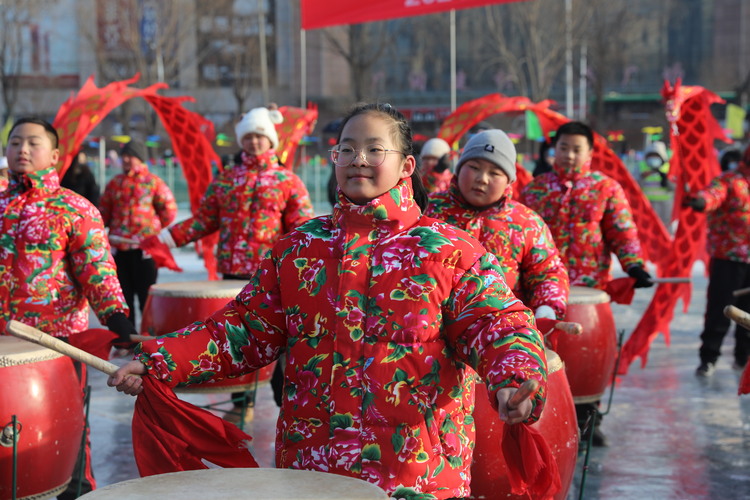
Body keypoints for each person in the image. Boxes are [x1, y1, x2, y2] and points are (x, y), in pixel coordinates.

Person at [111, 103, 548, 500]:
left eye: (375, 150)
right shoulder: (298, 248)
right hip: (311, 471)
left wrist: (515, 377)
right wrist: (160, 358)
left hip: (415, 475)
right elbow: (242, 328)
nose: (359, 158)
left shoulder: (448, 250)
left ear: (405, 166)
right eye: (347, 149)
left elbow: (498, 324)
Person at [142, 105, 314, 424]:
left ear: (271, 140)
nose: (254, 142)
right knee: (239, 336)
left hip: (272, 273)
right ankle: (242, 399)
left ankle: (286, 400)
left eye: (260, 136)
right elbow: (205, 220)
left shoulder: (287, 181)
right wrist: (166, 238)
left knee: (284, 336)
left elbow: (301, 227)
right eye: (248, 136)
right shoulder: (226, 180)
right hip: (233, 274)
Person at [0, 117, 137, 498]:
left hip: (56, 346)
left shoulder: (74, 209)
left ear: (55, 155)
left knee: (64, 429)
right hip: (1, 347)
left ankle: (75, 491)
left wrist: (117, 320)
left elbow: (98, 272)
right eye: (14, 142)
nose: (22, 150)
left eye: (32, 143)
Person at [521, 121, 653, 447]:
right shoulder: (536, 189)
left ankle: (589, 417)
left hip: (588, 289)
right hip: (541, 290)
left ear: (590, 153)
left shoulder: (605, 188)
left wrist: (634, 265)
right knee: (544, 356)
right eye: (563, 148)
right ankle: (544, 417)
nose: (568, 155)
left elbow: (622, 231)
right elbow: (521, 232)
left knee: (586, 356)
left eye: (576, 149)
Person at [426, 129, 569, 324]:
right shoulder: (427, 211)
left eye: (494, 173)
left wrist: (547, 307)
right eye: (474, 167)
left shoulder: (526, 223)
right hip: (432, 331)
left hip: (501, 333)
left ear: (509, 181)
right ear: (459, 168)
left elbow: (547, 272)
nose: (482, 178)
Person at [684, 144, 750, 377]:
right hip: (729, 258)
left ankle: (744, 359)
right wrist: (700, 202)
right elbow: (712, 194)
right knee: (720, 310)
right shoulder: (731, 180)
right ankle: (709, 357)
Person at [99, 140, 177, 326]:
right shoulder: (115, 184)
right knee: (123, 295)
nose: (125, 159)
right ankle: (127, 338)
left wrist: (151, 229)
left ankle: (149, 335)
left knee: (146, 295)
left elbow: (169, 210)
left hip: (145, 249)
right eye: (124, 155)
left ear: (140, 158)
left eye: (130, 155)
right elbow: (103, 213)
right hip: (119, 248)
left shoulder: (153, 182)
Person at [638, 141, 673, 228]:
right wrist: (642, 178)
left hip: (665, 205)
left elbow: (675, 187)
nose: (654, 158)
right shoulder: (641, 167)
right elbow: (632, 184)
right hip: (646, 204)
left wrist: (666, 181)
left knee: (665, 228)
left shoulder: (669, 167)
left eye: (656, 155)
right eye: (651, 155)